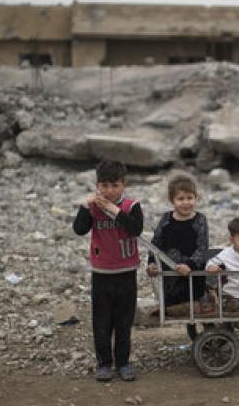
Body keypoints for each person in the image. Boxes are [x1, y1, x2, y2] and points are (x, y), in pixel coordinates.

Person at [73, 160, 143, 382]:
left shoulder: (132, 206)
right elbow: (79, 229)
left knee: (124, 322)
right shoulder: (93, 207)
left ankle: (123, 363)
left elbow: (136, 229)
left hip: (126, 272)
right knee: (102, 322)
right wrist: (85, 206)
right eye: (104, 185)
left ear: (123, 185)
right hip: (101, 273)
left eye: (115, 185)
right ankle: (104, 364)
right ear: (97, 185)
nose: (109, 191)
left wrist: (114, 210)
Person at [146, 171, 209, 309]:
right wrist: (151, 263)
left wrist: (190, 265)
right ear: (172, 200)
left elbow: (202, 247)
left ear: (196, 198)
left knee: (193, 305)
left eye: (190, 198)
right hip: (170, 275)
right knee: (174, 306)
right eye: (180, 199)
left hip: (192, 274)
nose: (186, 203)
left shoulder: (200, 220)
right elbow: (156, 243)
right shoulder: (166, 219)